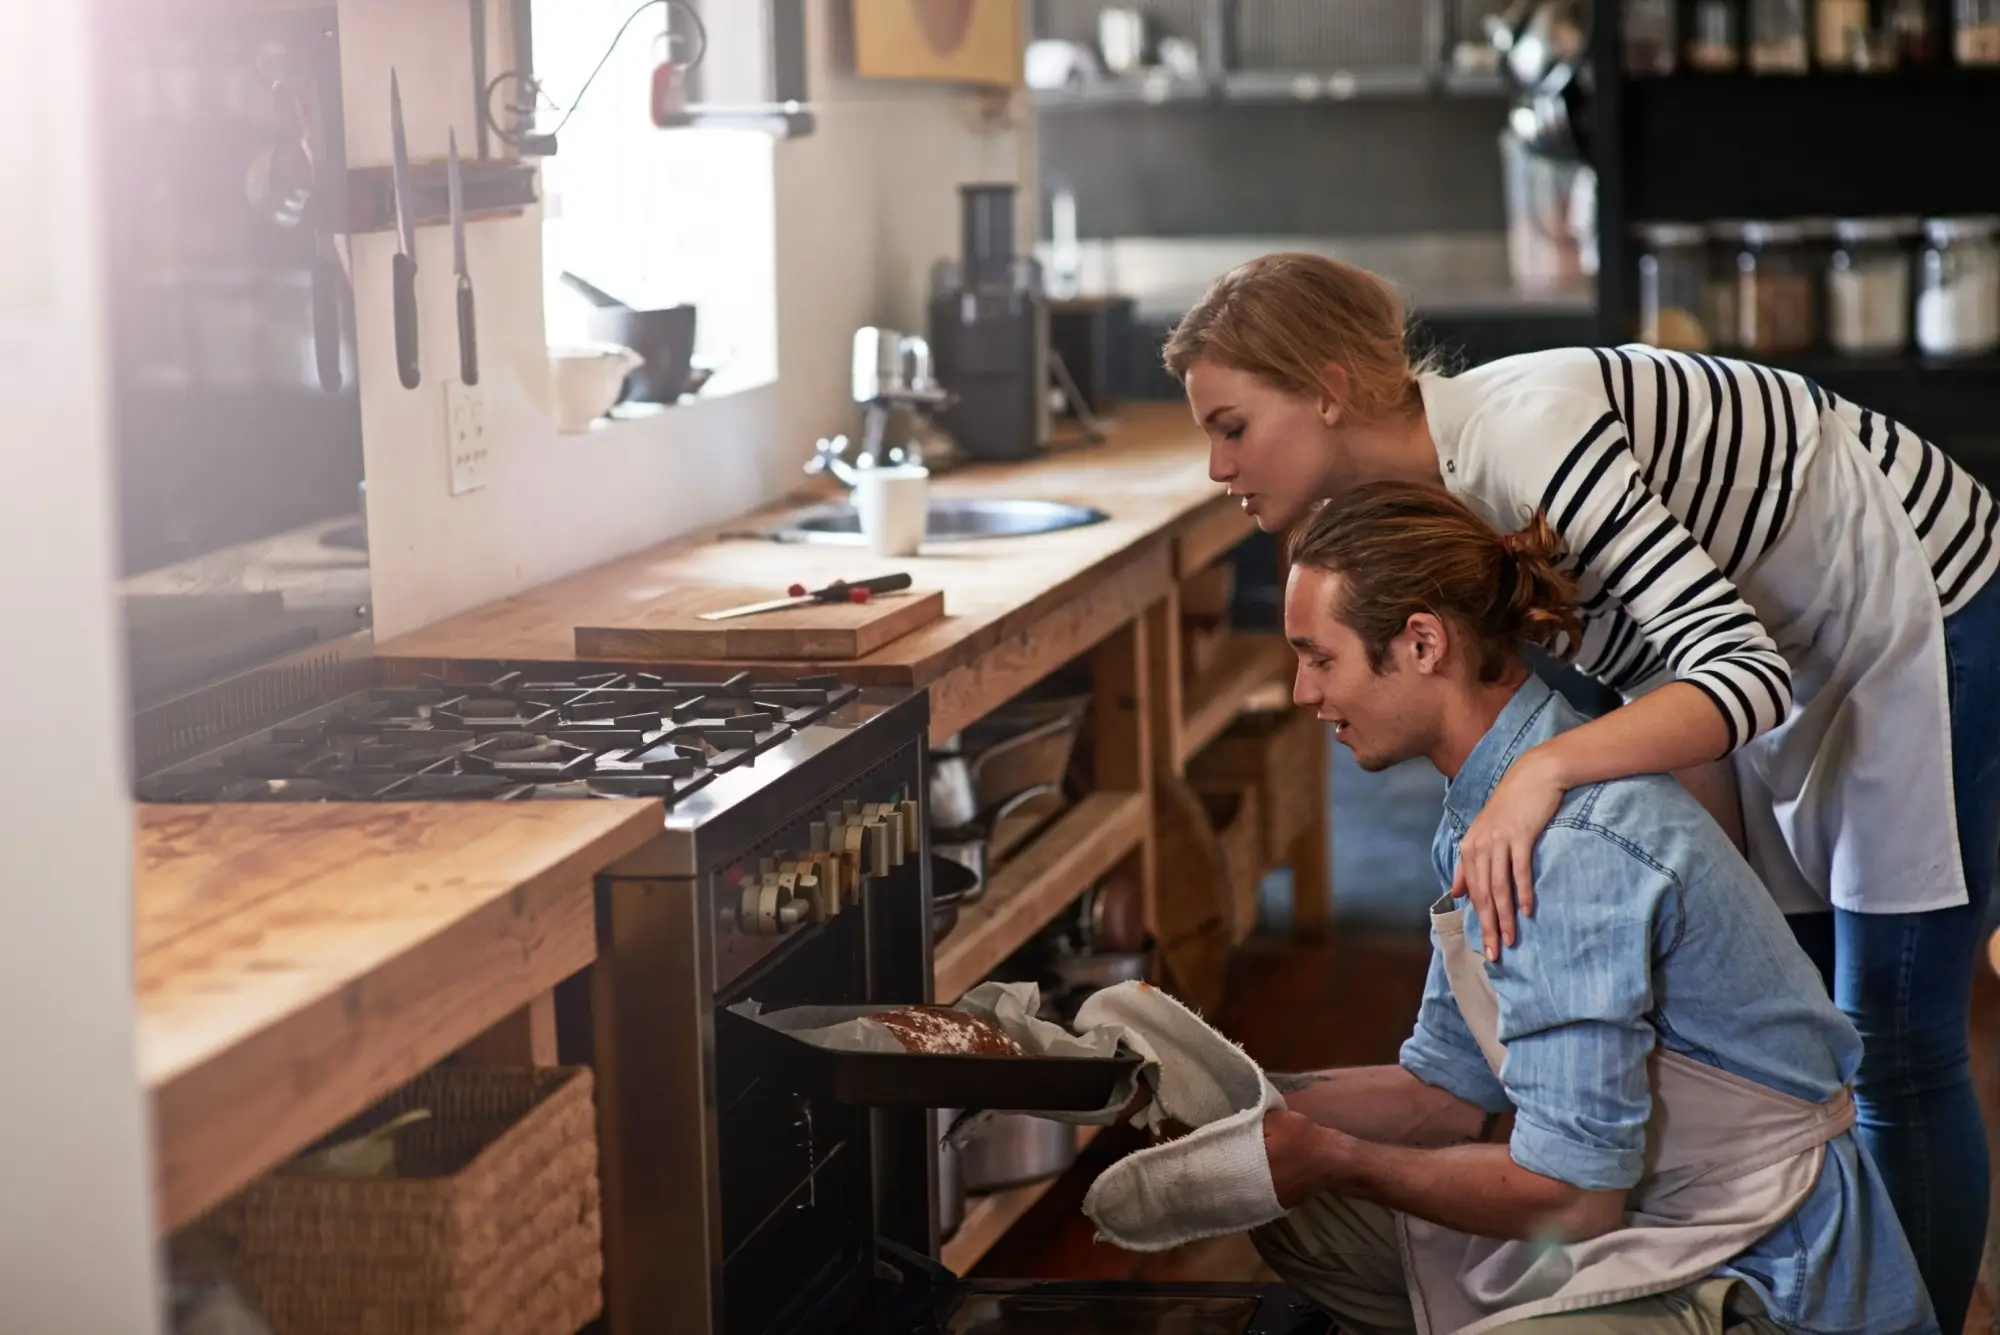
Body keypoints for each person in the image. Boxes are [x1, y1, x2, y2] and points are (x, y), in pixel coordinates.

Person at [1164, 253, 2000, 1332]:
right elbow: (1663, 676)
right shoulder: (1440, 504)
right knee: (1790, 1024)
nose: (1215, 465)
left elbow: (1734, 675)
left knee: (1890, 1031)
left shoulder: (1528, 442)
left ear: (1326, 387)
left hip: (1922, 603)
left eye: (1230, 425)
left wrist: (1543, 774)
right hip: (1785, 651)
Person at [1251, 482, 1934, 1335]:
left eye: (1320, 657)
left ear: (1422, 642)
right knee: (1271, 1195)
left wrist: (1337, 1158)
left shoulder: (1570, 845)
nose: (1300, 691)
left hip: (1753, 1257)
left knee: (1329, 1184)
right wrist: (1235, 1098)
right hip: (1644, 1205)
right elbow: (1447, 1091)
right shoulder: (1486, 806)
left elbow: (1575, 1198)